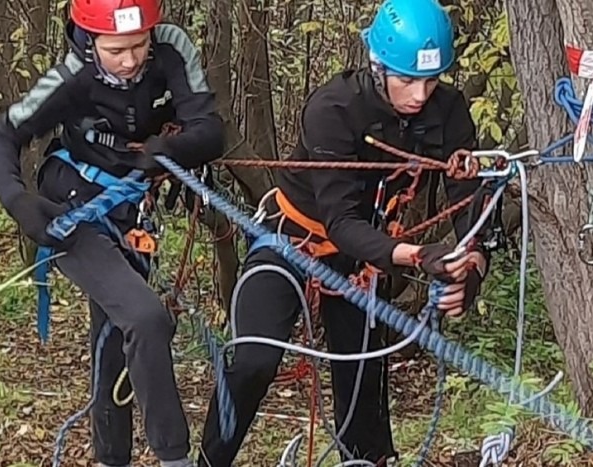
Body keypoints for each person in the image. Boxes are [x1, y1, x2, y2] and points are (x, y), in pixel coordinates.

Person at [197, 0, 491, 465]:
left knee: (363, 387)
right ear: (379, 67)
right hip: (289, 241)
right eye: (408, 80)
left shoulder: (448, 112)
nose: (419, 95)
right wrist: (418, 256)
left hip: (360, 261)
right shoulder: (333, 109)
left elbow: (467, 198)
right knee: (254, 361)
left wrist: (472, 261)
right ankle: (210, 461)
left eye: (431, 81)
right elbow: (341, 221)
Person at [0, 0, 224, 466]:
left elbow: (209, 129)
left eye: (138, 45)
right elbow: (2, 133)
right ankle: (175, 457)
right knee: (146, 318)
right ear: (89, 39)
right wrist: (18, 201)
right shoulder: (72, 76)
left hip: (132, 208)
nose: (131, 61)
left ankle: (111, 457)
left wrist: (171, 148)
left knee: (115, 335)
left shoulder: (171, 49)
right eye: (117, 50)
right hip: (71, 208)